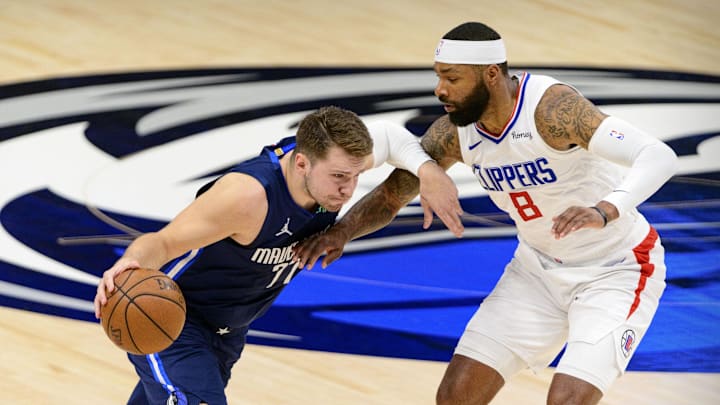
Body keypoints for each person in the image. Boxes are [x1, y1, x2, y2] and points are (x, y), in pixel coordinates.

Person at [294, 23, 678, 404]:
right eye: (439, 76)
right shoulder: (454, 133)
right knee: (456, 396)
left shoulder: (552, 109)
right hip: (535, 271)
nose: (440, 89)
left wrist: (606, 209)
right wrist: (341, 232)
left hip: (615, 269)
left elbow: (658, 156)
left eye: (452, 78)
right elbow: (393, 194)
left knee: (567, 400)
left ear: (491, 74)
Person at [93, 105, 463, 405]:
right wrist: (132, 264)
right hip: (173, 321)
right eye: (338, 178)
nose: (348, 189)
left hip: (229, 331)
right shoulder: (246, 196)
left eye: (355, 176)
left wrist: (427, 171)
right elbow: (164, 242)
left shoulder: (336, 160)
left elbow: (393, 137)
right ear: (301, 163)